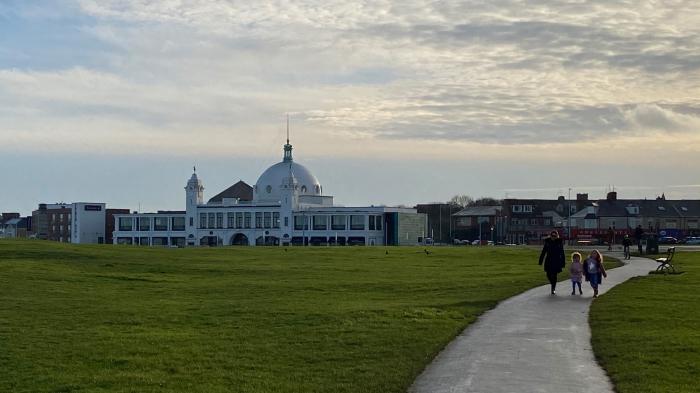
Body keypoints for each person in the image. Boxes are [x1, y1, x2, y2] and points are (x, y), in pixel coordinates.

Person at [539, 230, 566, 295]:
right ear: (550, 236)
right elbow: (543, 252)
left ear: (557, 236)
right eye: (552, 235)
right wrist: (540, 261)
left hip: (556, 260)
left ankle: (553, 288)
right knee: (548, 274)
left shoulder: (559, 242)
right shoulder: (547, 242)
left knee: (554, 275)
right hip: (549, 260)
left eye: (555, 236)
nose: (553, 237)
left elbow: (562, 253)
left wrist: (563, 262)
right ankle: (552, 283)